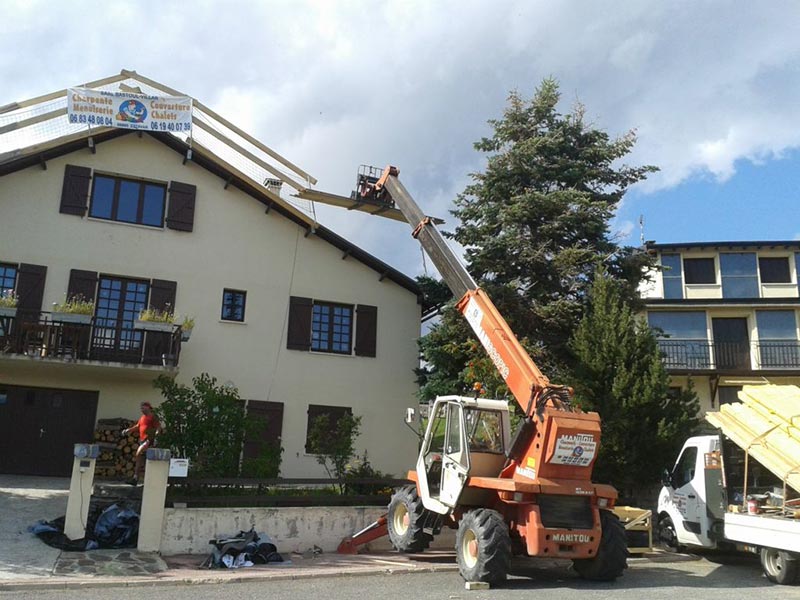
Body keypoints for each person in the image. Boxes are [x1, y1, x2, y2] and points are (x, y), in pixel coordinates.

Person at [122, 402, 162, 485]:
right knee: (140, 459)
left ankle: (138, 478)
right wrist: (128, 430)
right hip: (142, 440)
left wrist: (156, 437)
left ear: (148, 408)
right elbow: (137, 426)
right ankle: (136, 478)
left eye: (143, 408)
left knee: (139, 454)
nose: (142, 409)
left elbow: (158, 427)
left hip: (149, 440)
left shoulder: (153, 417)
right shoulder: (142, 417)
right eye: (141, 408)